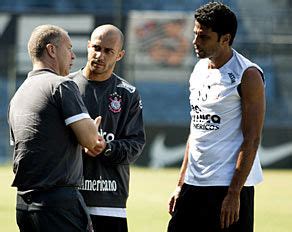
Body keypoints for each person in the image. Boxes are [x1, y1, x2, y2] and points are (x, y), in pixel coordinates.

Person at [167, 2, 265, 232]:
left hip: (227, 187)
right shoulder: (199, 69)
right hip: (194, 184)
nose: (195, 41)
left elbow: (252, 139)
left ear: (225, 38)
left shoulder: (248, 75)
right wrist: (181, 183)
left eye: (204, 37)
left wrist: (234, 194)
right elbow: (196, 132)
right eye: (195, 34)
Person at [8, 24, 105, 232]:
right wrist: (92, 134)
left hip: (25, 206)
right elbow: (91, 141)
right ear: (52, 50)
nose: (73, 56)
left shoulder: (18, 95)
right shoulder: (61, 85)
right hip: (58, 205)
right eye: (68, 48)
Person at [70, 24, 146, 232]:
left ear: (119, 55)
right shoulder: (66, 87)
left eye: (108, 51)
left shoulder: (128, 94)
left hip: (109, 200)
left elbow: (135, 144)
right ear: (87, 47)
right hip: (68, 198)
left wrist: (105, 148)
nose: (99, 55)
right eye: (96, 47)